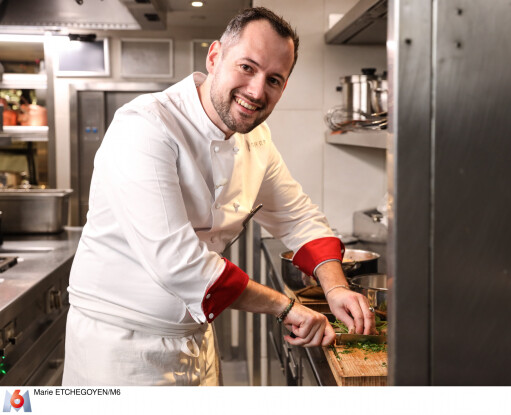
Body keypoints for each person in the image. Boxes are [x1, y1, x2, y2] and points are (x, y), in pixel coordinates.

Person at [62, 7, 375, 386]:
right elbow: (177, 263)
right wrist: (285, 306)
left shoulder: (255, 138)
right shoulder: (146, 126)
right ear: (214, 57)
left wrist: (336, 286)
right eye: (247, 67)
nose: (257, 91)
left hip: (195, 335)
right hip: (121, 347)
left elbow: (297, 217)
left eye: (273, 79)